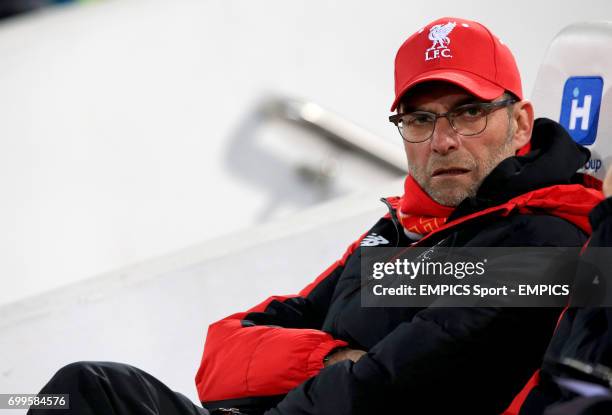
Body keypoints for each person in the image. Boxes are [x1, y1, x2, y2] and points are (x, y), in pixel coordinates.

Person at [28, 16, 604, 415]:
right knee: (89, 390)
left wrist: (314, 363)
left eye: (469, 113)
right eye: (420, 121)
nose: (444, 140)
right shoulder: (398, 233)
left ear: (522, 123)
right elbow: (222, 354)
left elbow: (389, 389)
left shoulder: (544, 240)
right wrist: (329, 356)